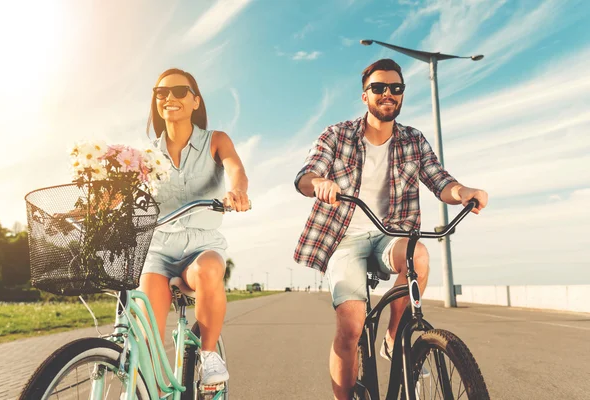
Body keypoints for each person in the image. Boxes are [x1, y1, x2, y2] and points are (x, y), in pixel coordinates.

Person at [293, 59, 488, 400]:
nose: (388, 94)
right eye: (379, 88)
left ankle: (395, 336)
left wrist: (464, 193)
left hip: (391, 232)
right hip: (344, 238)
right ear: (364, 96)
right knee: (351, 326)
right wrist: (320, 183)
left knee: (419, 255)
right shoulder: (337, 135)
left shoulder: (414, 140)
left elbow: (440, 180)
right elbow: (306, 175)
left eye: (396, 88)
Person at [140, 68, 250, 387]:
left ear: (195, 100)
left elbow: (236, 169)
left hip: (201, 247)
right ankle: (157, 386)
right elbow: (126, 193)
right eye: (162, 93)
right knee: (146, 337)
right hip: (158, 253)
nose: (169, 98)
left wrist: (238, 191)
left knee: (208, 271)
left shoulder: (216, 140)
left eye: (178, 92)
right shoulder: (148, 154)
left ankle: (208, 355)